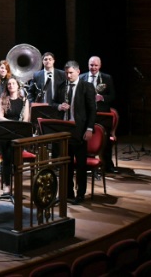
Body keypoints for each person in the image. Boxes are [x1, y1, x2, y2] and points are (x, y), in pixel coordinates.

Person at [52, 61, 96, 205]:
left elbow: (92, 110)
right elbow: (52, 103)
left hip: (80, 131)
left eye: (71, 72)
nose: (68, 75)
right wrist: (59, 106)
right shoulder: (61, 86)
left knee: (81, 165)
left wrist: (89, 129)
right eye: (66, 73)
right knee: (66, 164)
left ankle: (80, 194)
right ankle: (67, 193)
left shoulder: (86, 86)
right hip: (64, 131)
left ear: (78, 72)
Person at [80, 56, 117, 173]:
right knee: (85, 138)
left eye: (96, 65)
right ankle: (87, 163)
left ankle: (108, 165)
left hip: (102, 115)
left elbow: (113, 96)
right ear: (88, 65)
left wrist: (102, 98)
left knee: (105, 140)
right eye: (91, 65)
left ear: (100, 66)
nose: (93, 68)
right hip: (86, 115)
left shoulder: (107, 78)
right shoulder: (82, 77)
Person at [0, 77, 30, 195]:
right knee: (6, 160)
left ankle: (17, 184)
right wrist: (11, 124)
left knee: (16, 161)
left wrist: (17, 127)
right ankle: (7, 185)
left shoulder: (24, 100)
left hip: (18, 134)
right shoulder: (3, 99)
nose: (11, 85)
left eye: (13, 83)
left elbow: (26, 119)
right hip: (6, 133)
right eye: (9, 84)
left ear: (18, 86)